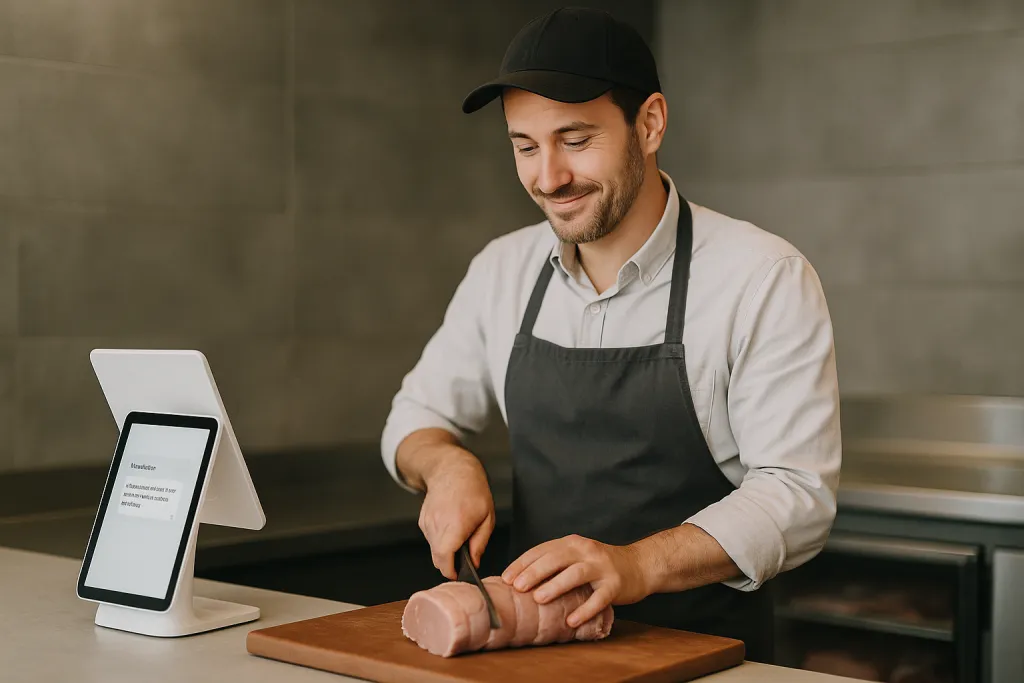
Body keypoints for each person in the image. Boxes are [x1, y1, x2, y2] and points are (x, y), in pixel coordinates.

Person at [379, 6, 841, 663]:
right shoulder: (501, 270)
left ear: (649, 123)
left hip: (706, 658)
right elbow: (415, 416)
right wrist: (446, 464)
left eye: (575, 138)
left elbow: (798, 496)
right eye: (524, 145)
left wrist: (634, 565)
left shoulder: (761, 276)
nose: (548, 177)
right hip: (536, 658)